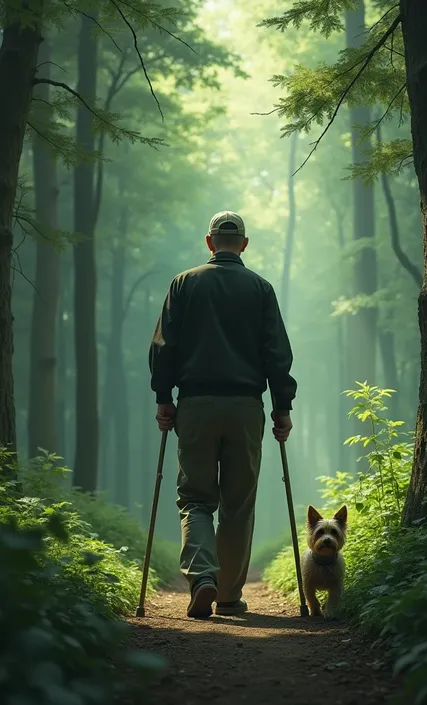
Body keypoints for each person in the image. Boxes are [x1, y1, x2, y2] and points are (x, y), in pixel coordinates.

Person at [149, 210, 297, 619]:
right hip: (246, 408)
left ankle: (203, 578)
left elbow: (164, 345)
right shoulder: (260, 289)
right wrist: (281, 406)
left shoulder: (184, 283)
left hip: (195, 405)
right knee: (238, 503)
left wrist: (164, 397)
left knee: (195, 498)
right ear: (244, 245)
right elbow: (277, 353)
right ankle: (230, 596)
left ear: (210, 242)